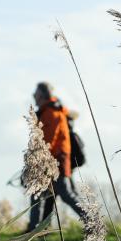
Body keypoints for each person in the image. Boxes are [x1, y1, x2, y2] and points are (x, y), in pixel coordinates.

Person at [26, 82, 85, 231]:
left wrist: (37, 161)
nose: (34, 96)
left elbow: (48, 142)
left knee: (66, 194)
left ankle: (93, 220)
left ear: (42, 95)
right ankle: (34, 230)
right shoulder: (49, 111)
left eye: (36, 94)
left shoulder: (51, 113)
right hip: (52, 159)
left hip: (55, 160)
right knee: (38, 195)